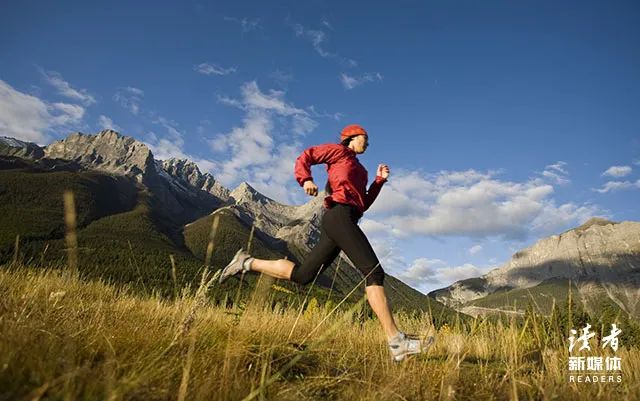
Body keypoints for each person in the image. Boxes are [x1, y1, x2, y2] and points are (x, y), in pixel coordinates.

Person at [219, 124, 430, 361]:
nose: (368, 143)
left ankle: (246, 262)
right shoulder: (338, 152)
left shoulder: (360, 169)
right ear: (351, 138)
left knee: (302, 276)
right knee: (374, 273)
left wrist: (379, 182)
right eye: (365, 138)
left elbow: (362, 204)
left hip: (346, 218)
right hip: (338, 216)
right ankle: (396, 341)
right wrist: (305, 179)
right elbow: (306, 156)